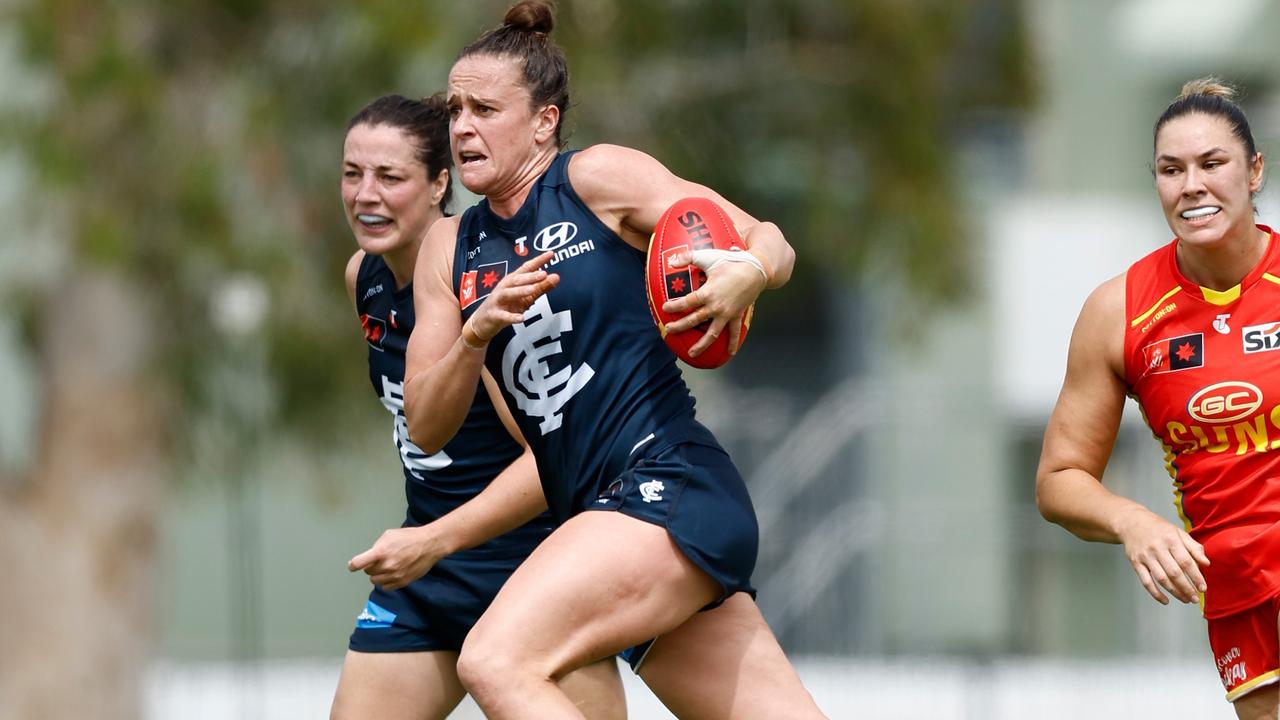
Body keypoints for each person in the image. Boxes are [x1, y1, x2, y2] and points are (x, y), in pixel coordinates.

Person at [401, 3, 827, 718]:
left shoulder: (594, 179)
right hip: (604, 523)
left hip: (668, 483)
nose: (462, 127)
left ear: (544, 121)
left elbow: (767, 238)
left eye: (484, 108)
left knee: (495, 658)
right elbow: (426, 426)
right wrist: (474, 337)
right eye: (454, 110)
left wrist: (749, 270)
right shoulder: (448, 251)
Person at [329, 93, 624, 720]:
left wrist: (433, 540)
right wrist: (429, 546)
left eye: (389, 176)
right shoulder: (366, 275)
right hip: (427, 578)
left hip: (530, 570)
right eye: (353, 174)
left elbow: (552, 462)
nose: (365, 195)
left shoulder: (479, 279)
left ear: (440, 183)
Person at [1037, 77, 1280, 718]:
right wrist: (1135, 523)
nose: (1192, 185)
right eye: (1172, 170)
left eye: (1212, 163)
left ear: (1255, 171)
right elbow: (1059, 479)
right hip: (1236, 589)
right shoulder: (1119, 310)